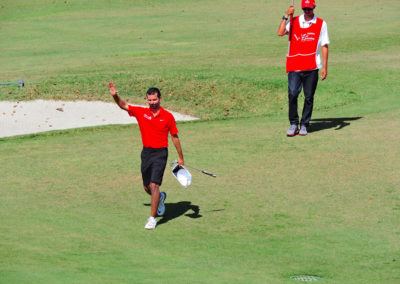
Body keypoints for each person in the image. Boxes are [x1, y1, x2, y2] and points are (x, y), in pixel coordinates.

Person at [108, 82, 184, 230]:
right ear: (147, 100)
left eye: (155, 100)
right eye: (150, 100)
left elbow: (174, 137)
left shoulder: (167, 116)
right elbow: (124, 105)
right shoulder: (142, 112)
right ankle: (160, 198)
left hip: (161, 152)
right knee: (147, 187)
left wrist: (181, 157)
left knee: (155, 185)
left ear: (160, 99)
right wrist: (115, 96)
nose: (152, 103)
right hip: (146, 153)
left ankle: (152, 218)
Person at [277, 0, 330, 136]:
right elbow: (280, 32)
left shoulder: (321, 24)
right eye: (305, 9)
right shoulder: (294, 21)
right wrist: (286, 15)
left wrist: (325, 66)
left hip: (312, 66)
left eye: (309, 9)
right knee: (293, 93)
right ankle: (294, 123)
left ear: (314, 8)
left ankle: (304, 124)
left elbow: (324, 45)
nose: (307, 12)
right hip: (295, 65)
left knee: (309, 97)